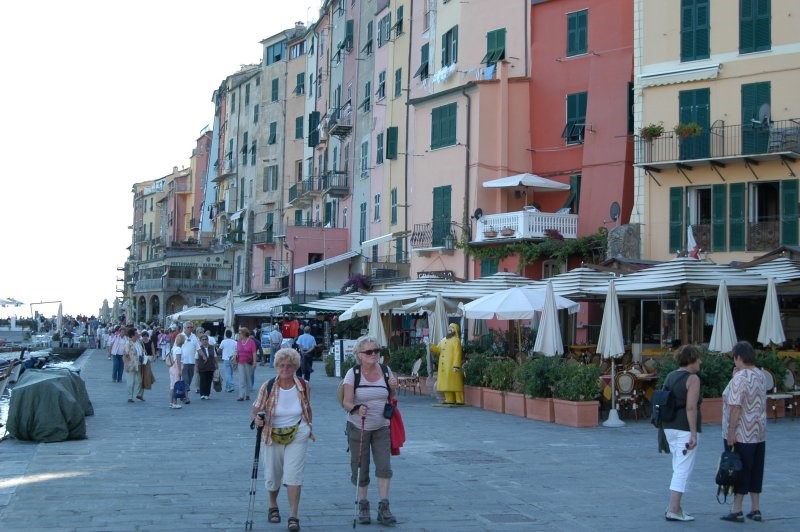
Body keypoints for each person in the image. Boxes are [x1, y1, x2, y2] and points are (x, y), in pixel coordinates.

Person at [251, 348, 315, 532]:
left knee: (294, 474)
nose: (285, 369)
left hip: (298, 432)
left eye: (289, 365)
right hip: (272, 434)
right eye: (281, 365)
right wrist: (256, 419)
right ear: (276, 366)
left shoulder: (303, 385)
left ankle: (294, 516)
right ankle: (273, 505)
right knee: (273, 475)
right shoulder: (268, 385)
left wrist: (309, 426)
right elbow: (256, 409)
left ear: (295, 367)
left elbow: (307, 407)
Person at [341, 335, 399, 526]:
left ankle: (384, 506)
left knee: (384, 466)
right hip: (359, 426)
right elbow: (346, 402)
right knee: (360, 467)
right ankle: (363, 505)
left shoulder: (385, 370)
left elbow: (391, 395)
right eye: (369, 352)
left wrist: (393, 387)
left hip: (382, 425)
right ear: (359, 355)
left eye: (376, 351)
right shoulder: (353, 373)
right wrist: (357, 408)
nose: (374, 354)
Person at [720, 341, 767, 523]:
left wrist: (731, 430)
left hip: (742, 432)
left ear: (739, 357)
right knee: (756, 468)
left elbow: (735, 406)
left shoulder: (740, 378)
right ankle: (755, 508)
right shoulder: (760, 374)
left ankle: (737, 509)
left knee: (739, 469)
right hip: (758, 430)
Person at [662, 344, 702, 522]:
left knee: (677, 464)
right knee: (683, 469)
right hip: (684, 427)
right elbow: (691, 407)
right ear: (691, 360)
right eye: (698, 358)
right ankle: (673, 509)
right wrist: (693, 433)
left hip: (668, 426)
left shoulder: (670, 376)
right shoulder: (693, 379)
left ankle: (676, 507)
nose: (700, 361)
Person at [429, 323, 464, 404]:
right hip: (444, 367)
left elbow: (457, 353)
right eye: (449, 328)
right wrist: (432, 347)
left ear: (455, 330)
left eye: (452, 328)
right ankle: (449, 399)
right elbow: (438, 349)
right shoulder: (443, 340)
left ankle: (459, 400)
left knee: (456, 384)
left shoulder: (456, 341)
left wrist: (456, 365)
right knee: (446, 384)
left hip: (452, 366)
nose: (450, 330)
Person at [179, 322, 199, 404]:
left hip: (192, 361)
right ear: (184, 328)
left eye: (191, 327)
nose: (190, 328)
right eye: (188, 327)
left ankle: (182, 394)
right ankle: (186, 397)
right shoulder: (180, 336)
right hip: (183, 361)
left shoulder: (194, 336)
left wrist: (204, 356)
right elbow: (175, 347)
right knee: (185, 379)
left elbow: (198, 348)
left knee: (190, 379)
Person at [237, 327, 258, 401]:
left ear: (244, 333)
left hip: (249, 362)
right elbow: (237, 351)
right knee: (241, 379)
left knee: (248, 378)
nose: (239, 334)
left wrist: (254, 362)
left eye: (240, 333)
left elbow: (254, 352)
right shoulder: (239, 341)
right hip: (240, 362)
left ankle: (248, 394)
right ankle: (241, 395)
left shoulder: (251, 341)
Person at [123, 327, 143, 403]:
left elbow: (141, 352)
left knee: (141, 381)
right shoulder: (128, 343)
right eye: (136, 334)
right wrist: (126, 364)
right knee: (131, 382)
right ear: (132, 335)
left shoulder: (138, 343)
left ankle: (139, 394)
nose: (138, 335)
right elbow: (125, 354)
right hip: (131, 365)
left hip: (139, 364)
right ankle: (130, 397)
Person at [196, 333, 218, 400]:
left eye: (206, 339)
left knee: (209, 381)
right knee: (202, 381)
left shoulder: (211, 347)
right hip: (202, 367)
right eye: (203, 340)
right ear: (201, 341)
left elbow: (215, 357)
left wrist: (216, 366)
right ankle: (202, 394)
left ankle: (207, 394)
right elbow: (196, 359)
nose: (204, 341)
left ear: (208, 340)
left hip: (211, 367)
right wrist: (196, 367)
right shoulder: (199, 348)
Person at [169, 333, 185, 409]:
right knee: (176, 385)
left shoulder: (173, 348)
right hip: (177, 367)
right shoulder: (178, 349)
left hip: (172, 367)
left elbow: (172, 359)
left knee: (172, 386)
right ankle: (174, 403)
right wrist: (179, 371)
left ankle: (171, 402)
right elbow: (178, 361)